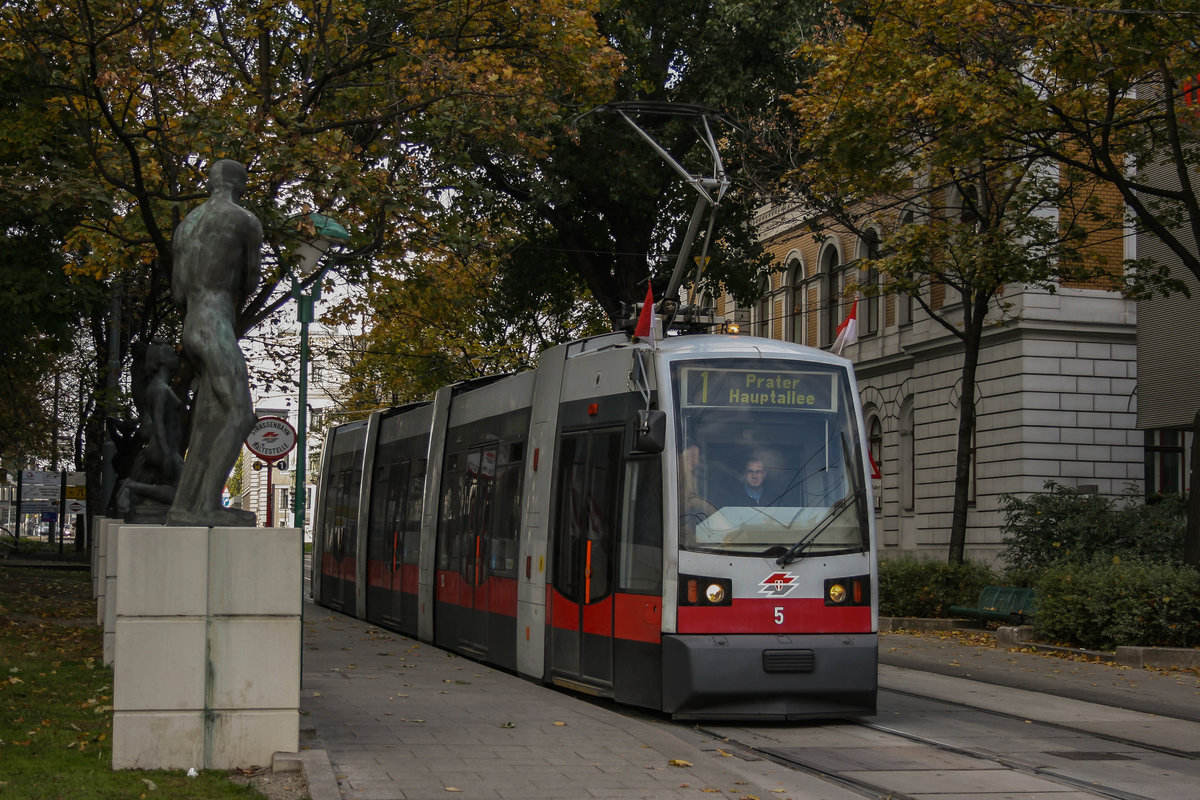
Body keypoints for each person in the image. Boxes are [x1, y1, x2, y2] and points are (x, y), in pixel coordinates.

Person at [166, 159, 260, 527]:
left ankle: (183, 505)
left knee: (208, 419)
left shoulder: (186, 226)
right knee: (240, 415)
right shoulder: (245, 221)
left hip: (192, 323)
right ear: (240, 183)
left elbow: (177, 292)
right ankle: (206, 506)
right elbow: (251, 281)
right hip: (216, 321)